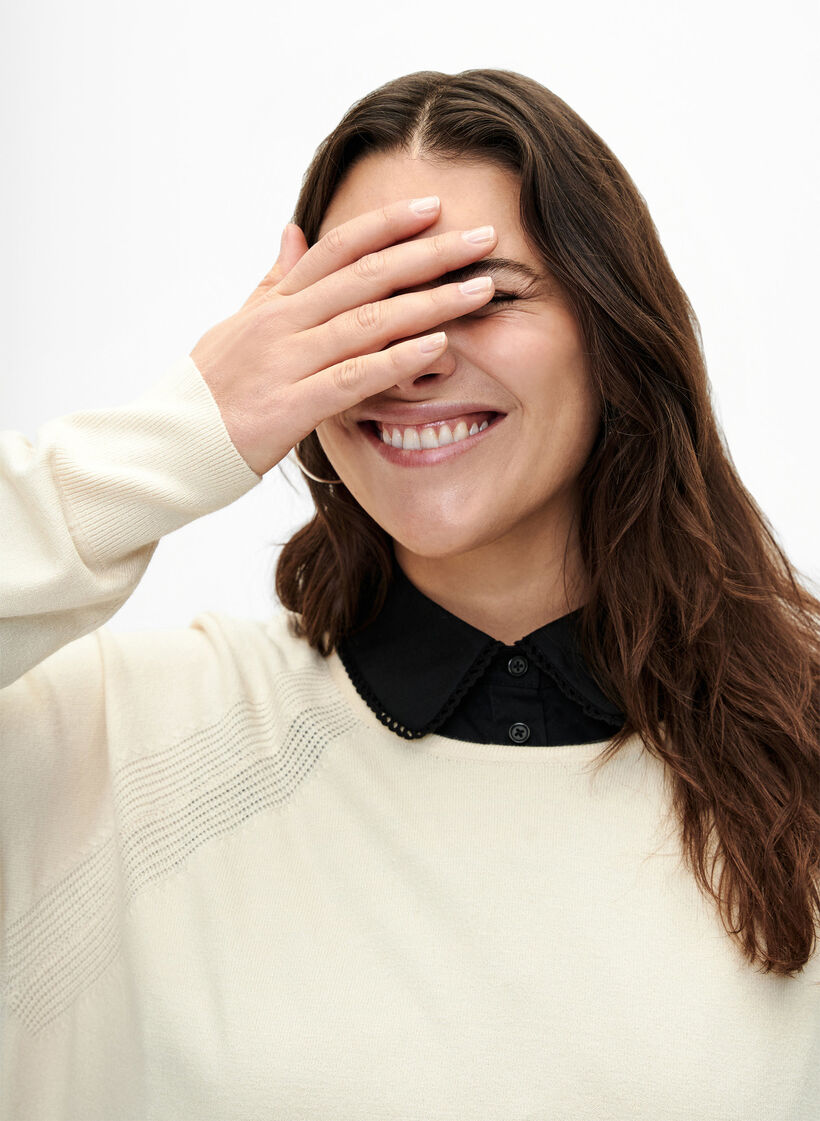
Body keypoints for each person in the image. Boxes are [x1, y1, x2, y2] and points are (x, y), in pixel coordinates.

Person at [1, 67, 818, 1120]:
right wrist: (189, 428)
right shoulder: (102, 739)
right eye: (360, 306)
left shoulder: (793, 739)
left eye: (478, 294)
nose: (413, 358)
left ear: (613, 335)